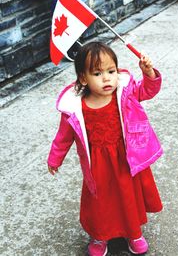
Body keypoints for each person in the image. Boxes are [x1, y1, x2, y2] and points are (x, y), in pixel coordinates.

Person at [47, 41, 163, 256]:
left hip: (126, 159)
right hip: (98, 166)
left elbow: (148, 90)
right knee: (101, 202)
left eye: (111, 71)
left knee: (128, 197)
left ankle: (133, 232)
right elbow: (63, 137)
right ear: (83, 78)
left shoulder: (125, 93)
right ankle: (100, 236)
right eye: (97, 73)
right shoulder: (74, 109)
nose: (107, 78)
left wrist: (149, 73)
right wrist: (55, 158)